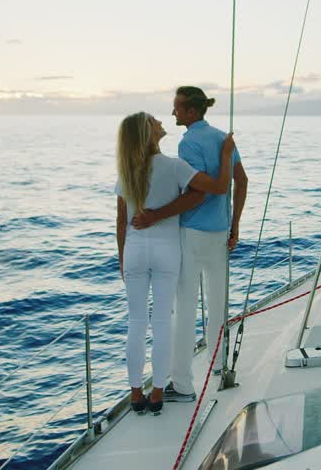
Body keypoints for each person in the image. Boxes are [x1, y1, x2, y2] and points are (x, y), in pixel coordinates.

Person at [114, 112, 234, 415]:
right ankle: (157, 393)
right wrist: (226, 154)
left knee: (136, 322)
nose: (160, 122)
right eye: (154, 121)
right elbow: (214, 188)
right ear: (149, 133)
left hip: (134, 250)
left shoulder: (126, 171)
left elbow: (120, 221)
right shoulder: (174, 166)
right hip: (167, 249)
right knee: (163, 322)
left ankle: (135, 393)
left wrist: (122, 257)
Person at [134, 86, 247, 404]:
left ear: (191, 112)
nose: (172, 114)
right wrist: (235, 224)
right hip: (220, 233)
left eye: (177, 109)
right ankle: (219, 365)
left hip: (192, 235)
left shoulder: (187, 143)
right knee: (218, 306)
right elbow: (243, 182)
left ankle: (182, 384)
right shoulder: (223, 138)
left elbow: (198, 192)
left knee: (185, 309)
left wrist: (156, 215)